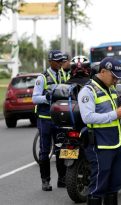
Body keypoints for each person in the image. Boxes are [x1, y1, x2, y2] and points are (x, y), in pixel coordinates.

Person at [78, 57, 121, 205]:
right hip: (100, 145)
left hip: (116, 143)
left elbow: (113, 112)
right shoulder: (88, 91)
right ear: (103, 71)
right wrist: (115, 114)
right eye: (113, 76)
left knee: (114, 184)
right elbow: (87, 117)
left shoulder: (110, 89)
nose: (115, 80)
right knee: (98, 185)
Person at [32, 50, 68, 191]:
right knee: (44, 150)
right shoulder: (42, 78)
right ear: (50, 61)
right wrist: (48, 97)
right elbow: (35, 98)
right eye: (57, 61)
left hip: (60, 119)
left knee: (61, 149)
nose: (60, 63)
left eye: (61, 61)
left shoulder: (63, 74)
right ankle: (45, 181)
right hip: (45, 119)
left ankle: (62, 179)